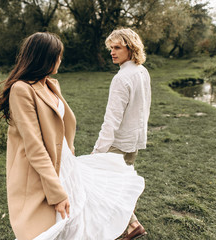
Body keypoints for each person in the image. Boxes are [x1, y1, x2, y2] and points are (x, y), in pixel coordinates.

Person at [0, 32, 145, 240]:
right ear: (44, 57)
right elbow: (35, 147)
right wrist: (56, 191)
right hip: (43, 170)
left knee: (76, 220)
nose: (60, 60)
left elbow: (61, 124)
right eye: (57, 55)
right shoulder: (22, 89)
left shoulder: (50, 84)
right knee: (51, 226)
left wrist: (69, 152)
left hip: (65, 163)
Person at [92, 28, 151, 239]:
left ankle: (130, 224)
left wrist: (98, 151)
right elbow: (145, 109)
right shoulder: (142, 71)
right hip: (133, 141)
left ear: (130, 47)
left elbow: (111, 121)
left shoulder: (122, 79)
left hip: (117, 143)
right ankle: (130, 223)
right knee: (120, 185)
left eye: (117, 47)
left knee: (102, 186)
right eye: (111, 48)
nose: (112, 52)